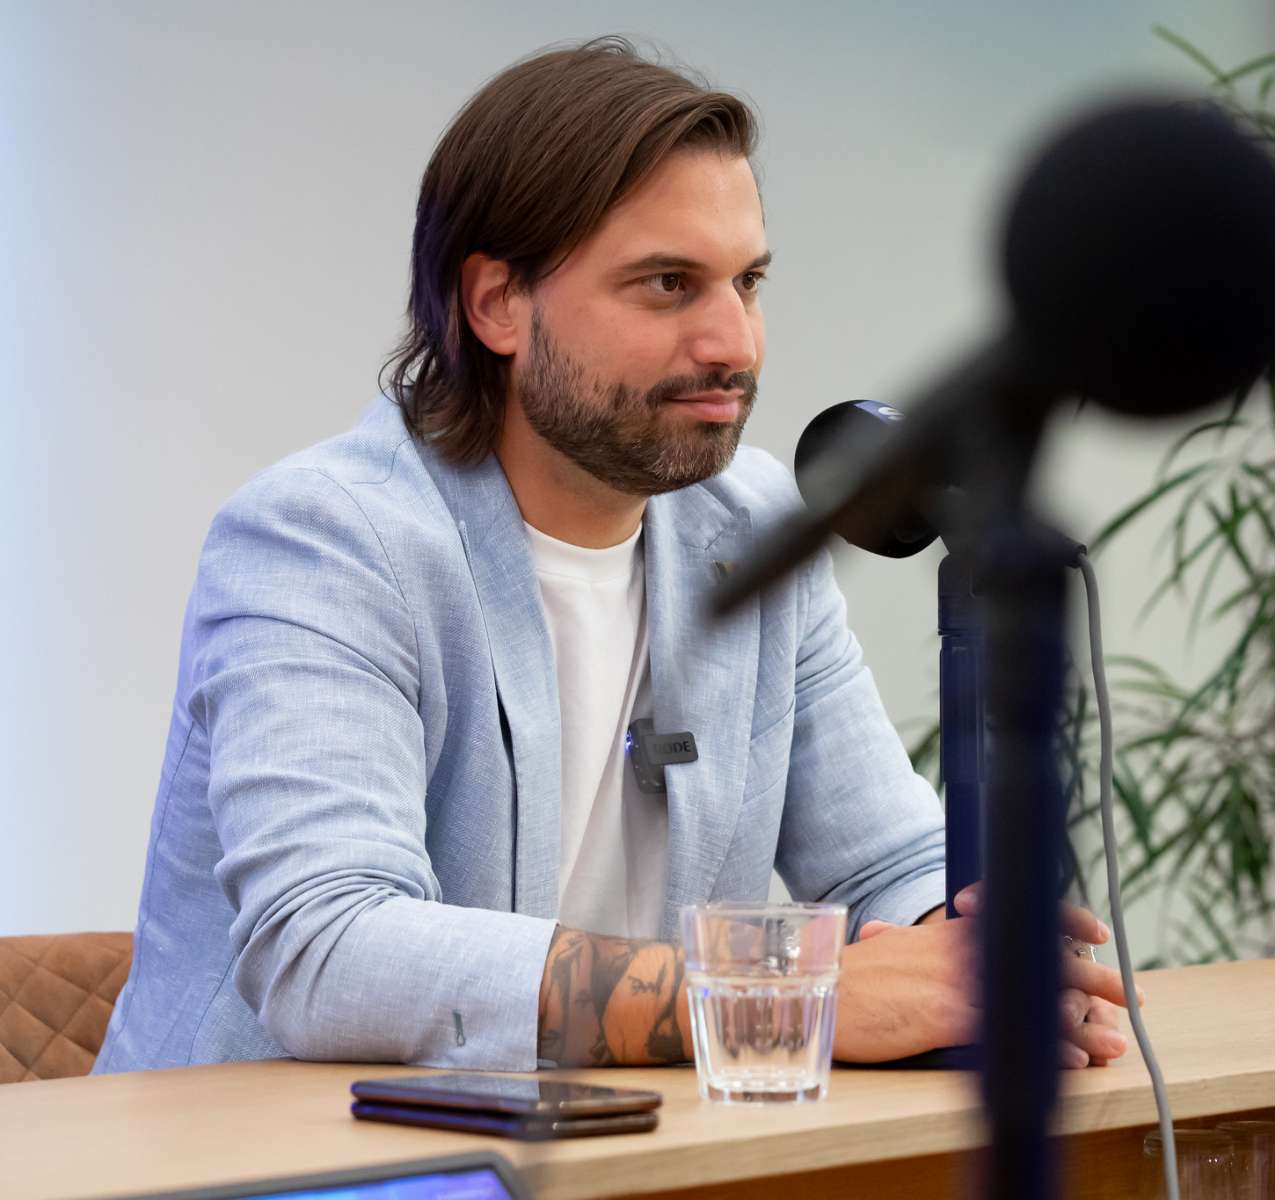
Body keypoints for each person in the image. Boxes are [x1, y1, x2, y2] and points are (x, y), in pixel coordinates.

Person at [95, 37, 1134, 1076]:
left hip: (617, 1152)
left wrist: (977, 950)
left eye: (748, 281)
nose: (735, 342)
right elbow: (329, 951)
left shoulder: (754, 522)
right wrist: (780, 996)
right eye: (669, 285)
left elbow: (892, 859)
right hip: (284, 1167)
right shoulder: (322, 539)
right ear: (498, 303)